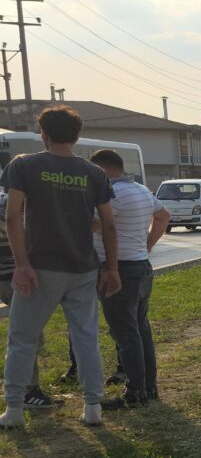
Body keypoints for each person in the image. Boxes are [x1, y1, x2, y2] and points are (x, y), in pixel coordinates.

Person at [0, 105, 120, 429]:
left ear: (44, 134)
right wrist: (112, 268)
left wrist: (22, 265)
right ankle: (93, 406)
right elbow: (109, 224)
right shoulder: (94, 173)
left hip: (40, 267)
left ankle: (14, 410)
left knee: (23, 338)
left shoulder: (24, 165)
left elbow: (12, 216)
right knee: (86, 337)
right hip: (83, 269)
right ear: (77, 136)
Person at [88, 149, 168, 407]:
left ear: (101, 170)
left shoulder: (113, 194)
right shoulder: (142, 190)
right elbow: (164, 215)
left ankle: (135, 392)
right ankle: (148, 387)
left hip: (118, 269)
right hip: (141, 266)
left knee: (125, 333)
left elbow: (95, 225)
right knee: (140, 329)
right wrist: (148, 244)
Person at [0, 191, 59, 409]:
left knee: (22, 335)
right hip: (17, 278)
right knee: (28, 337)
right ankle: (28, 391)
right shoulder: (24, 205)